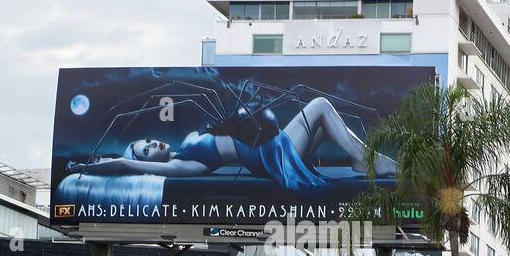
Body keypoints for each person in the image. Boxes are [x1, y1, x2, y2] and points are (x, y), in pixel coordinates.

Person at [67, 97, 397, 191]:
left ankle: (363, 158)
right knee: (320, 106)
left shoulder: (185, 146)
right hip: (270, 154)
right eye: (146, 149)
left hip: (268, 141)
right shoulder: (182, 166)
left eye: (149, 141)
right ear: (148, 162)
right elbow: (125, 165)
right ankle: (364, 162)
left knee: (321, 120)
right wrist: (86, 167)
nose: (152, 144)